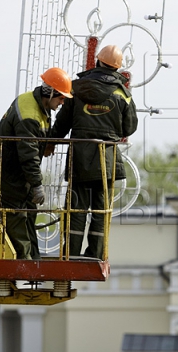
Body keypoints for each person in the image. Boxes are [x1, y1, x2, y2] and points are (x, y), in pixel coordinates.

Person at [51, 45, 138, 258]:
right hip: (106, 160)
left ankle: (70, 253)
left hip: (79, 158)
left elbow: (62, 123)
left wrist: (50, 141)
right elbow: (129, 128)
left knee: (76, 208)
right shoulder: (122, 94)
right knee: (100, 210)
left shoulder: (75, 89)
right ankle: (96, 254)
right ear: (117, 68)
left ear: (98, 62)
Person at [0, 67, 73, 259]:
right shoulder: (30, 115)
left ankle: (34, 260)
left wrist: (47, 141)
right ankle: (23, 263)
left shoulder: (37, 104)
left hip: (17, 174)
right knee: (17, 216)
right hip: (8, 174)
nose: (62, 103)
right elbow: (28, 154)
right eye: (61, 98)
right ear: (50, 93)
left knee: (29, 213)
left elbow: (33, 143)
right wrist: (37, 185)